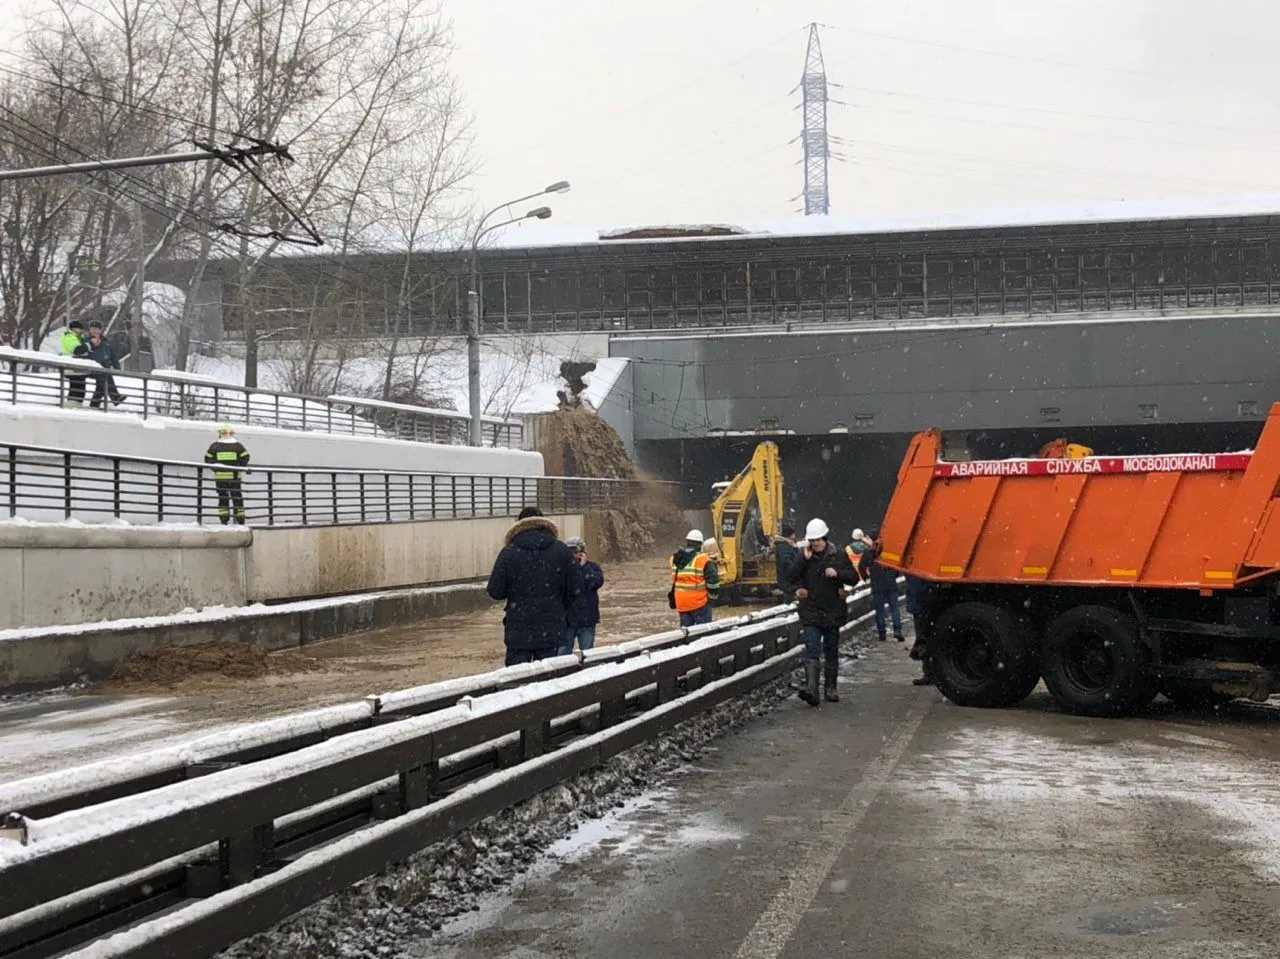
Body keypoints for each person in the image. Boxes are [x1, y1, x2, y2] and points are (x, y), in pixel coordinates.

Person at [487, 507, 585, 666]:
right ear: (545, 524)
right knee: (548, 677)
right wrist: (558, 608)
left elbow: (495, 591)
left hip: (518, 629)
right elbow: (576, 588)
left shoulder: (509, 552)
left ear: (518, 526)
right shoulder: (561, 550)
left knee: (516, 680)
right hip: (551, 627)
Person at [786, 518, 859, 705]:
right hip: (811, 611)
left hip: (832, 611)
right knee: (812, 650)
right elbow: (790, 577)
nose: (815, 544)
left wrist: (838, 574)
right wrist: (803, 559)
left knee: (831, 651)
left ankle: (830, 688)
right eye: (812, 540)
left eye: (818, 540)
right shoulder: (805, 557)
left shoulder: (839, 556)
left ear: (825, 538)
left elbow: (853, 578)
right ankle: (812, 690)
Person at [859, 530, 905, 642]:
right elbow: (896, 566)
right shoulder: (887, 552)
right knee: (894, 609)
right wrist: (893, 576)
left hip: (877, 585)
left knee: (879, 611)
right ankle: (897, 630)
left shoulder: (868, 552)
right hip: (890, 584)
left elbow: (861, 567)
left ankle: (882, 633)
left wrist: (866, 577)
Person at [560, 536, 603, 655]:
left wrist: (583, 567)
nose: (573, 554)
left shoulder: (593, 567)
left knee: (588, 654)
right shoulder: (562, 568)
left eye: (575, 551)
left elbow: (596, 582)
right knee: (562, 655)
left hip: (587, 620)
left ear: (583, 552)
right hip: (567, 620)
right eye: (570, 552)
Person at [670, 528, 719, 627]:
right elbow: (713, 581)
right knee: (704, 632)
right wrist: (713, 598)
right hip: (699, 603)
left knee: (687, 634)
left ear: (687, 542)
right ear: (700, 544)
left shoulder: (676, 558)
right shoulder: (704, 560)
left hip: (681, 603)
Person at [204, 425, 250, 525]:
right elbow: (246, 457)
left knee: (223, 498)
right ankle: (240, 519)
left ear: (221, 433)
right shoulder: (238, 446)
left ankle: (224, 519)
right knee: (237, 498)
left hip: (221, 478)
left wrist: (217, 468)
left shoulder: (215, 446)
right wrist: (238, 467)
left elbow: (208, 459)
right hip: (235, 478)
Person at [86, 322, 126, 409]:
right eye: (92, 328)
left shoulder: (106, 342)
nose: (94, 331)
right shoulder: (87, 341)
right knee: (105, 378)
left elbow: (113, 355)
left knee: (102, 386)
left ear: (100, 330)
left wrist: (117, 367)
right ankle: (115, 397)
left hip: (105, 367)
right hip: (92, 367)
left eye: (96, 329)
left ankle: (94, 405)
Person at [905, 574, 932, 686]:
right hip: (922, 604)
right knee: (925, 638)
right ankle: (930, 673)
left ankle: (929, 674)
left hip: (921, 606)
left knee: (923, 639)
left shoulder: (916, 569)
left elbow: (915, 588)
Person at [60, 319, 89, 408]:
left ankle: (76, 406)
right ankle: (71, 406)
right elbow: (77, 350)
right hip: (71, 366)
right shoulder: (69, 337)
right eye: (79, 328)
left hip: (78, 367)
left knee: (80, 387)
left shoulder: (79, 337)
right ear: (74, 329)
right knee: (76, 386)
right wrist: (88, 345)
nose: (80, 330)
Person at [774, 524, 799, 601]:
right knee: (789, 599)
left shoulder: (787, 545)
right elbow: (786, 562)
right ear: (789, 535)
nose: (794, 536)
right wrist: (796, 568)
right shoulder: (783, 547)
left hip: (788, 579)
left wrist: (795, 548)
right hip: (788, 579)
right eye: (793, 534)